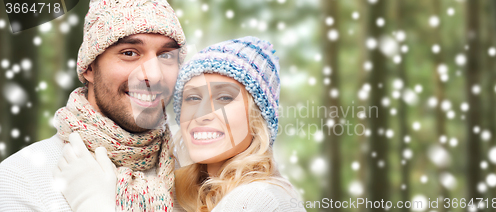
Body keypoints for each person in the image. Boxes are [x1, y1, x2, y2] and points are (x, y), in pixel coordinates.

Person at [0, 0, 185, 211]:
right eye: (129, 53)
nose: (154, 75)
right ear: (89, 67)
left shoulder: (197, 175)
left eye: (167, 55)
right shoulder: (21, 180)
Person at [172, 36, 306, 212]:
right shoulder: (191, 194)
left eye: (224, 98)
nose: (200, 114)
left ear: (257, 117)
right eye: (193, 98)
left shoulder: (256, 198)